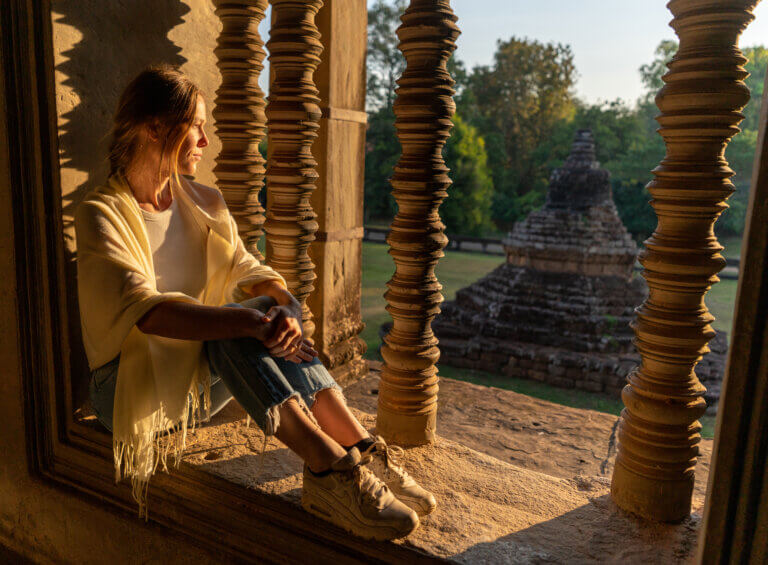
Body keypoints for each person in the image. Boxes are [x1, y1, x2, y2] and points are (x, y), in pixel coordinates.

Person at [75, 65, 436, 541]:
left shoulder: (204, 202)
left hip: (193, 379)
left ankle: (360, 447)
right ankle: (329, 470)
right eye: (196, 125)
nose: (205, 140)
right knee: (235, 324)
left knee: (253, 317)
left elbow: (252, 272)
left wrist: (284, 309)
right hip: (125, 391)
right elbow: (149, 311)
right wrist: (249, 320)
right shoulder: (101, 214)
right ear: (156, 128)